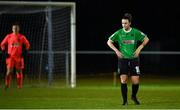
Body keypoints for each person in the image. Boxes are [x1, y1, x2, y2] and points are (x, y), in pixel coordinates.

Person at [107, 13, 149, 105]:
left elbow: (146, 39)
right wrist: (116, 51)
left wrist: (139, 48)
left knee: (135, 81)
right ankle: (125, 101)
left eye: (125, 23)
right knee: (124, 79)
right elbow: (109, 41)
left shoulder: (135, 32)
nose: (123, 25)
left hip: (134, 59)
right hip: (123, 60)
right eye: (122, 23)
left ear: (130, 23)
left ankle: (133, 96)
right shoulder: (119, 33)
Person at [1, 23, 30, 89]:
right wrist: (4, 51)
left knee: (19, 72)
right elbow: (2, 44)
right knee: (9, 72)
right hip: (10, 57)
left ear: (19, 29)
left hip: (19, 57)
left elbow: (27, 44)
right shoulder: (8, 36)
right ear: (12, 29)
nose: (15, 29)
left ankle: (19, 86)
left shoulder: (22, 37)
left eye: (16, 28)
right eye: (14, 28)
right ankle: (7, 84)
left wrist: (25, 51)